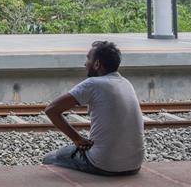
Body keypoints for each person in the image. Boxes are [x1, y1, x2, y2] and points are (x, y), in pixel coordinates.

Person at [43, 41, 143, 176]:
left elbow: (51, 110)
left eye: (88, 58)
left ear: (97, 64)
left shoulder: (93, 83)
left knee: (50, 158)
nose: (85, 63)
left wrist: (77, 139)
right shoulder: (126, 83)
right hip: (135, 164)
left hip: (104, 164)